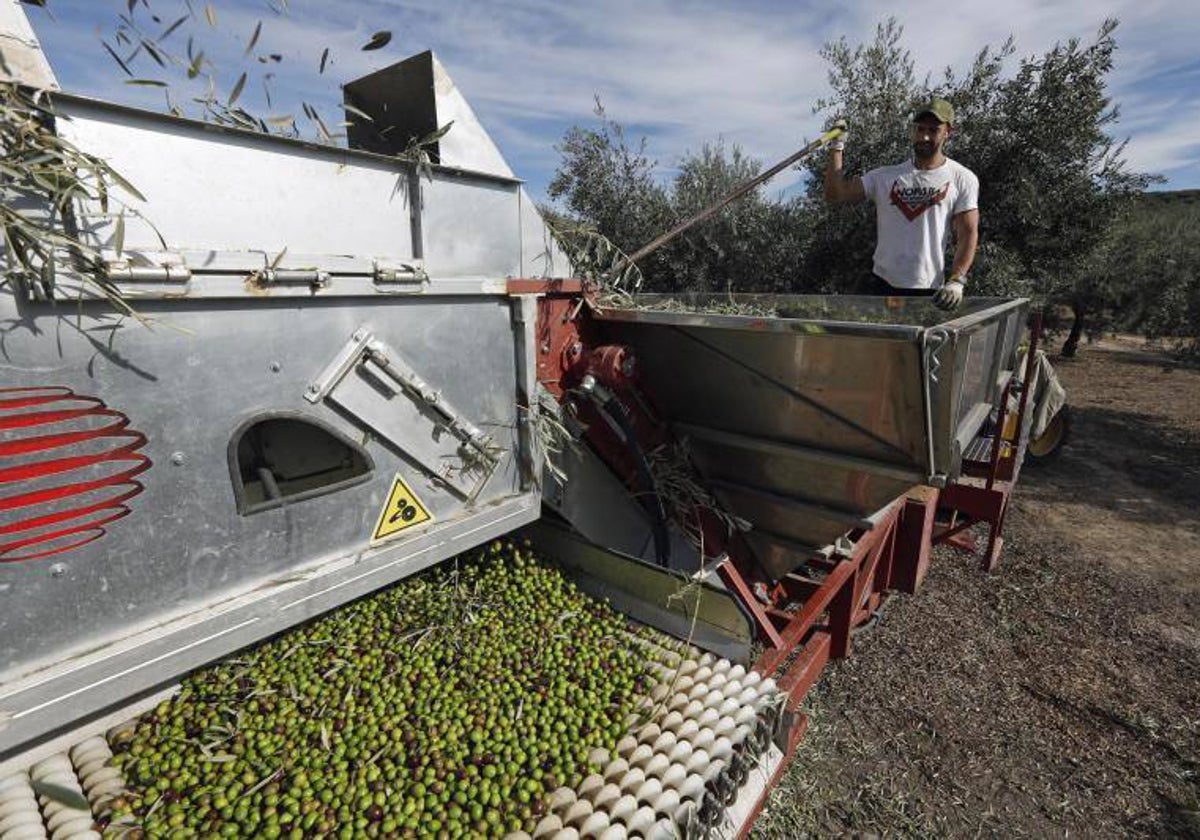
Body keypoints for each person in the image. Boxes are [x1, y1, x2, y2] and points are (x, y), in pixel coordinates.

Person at [823, 99, 979, 311]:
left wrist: (957, 280)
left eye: (933, 130)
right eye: (920, 129)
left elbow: (968, 234)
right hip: (881, 286)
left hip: (929, 290)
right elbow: (836, 194)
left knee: (920, 345)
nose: (924, 136)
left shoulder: (961, 178)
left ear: (947, 132)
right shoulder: (884, 177)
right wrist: (836, 147)